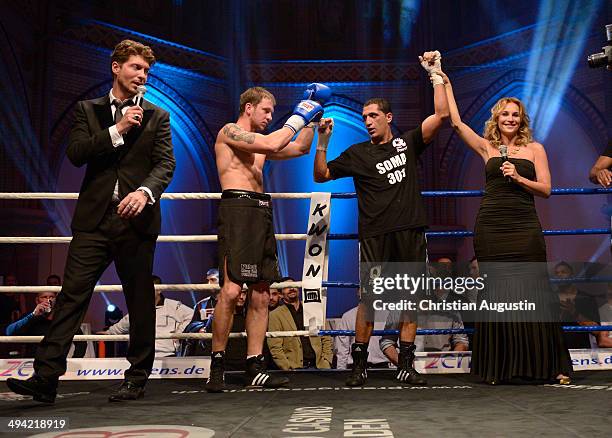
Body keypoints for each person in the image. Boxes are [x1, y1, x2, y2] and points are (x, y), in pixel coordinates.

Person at [6, 39, 175, 403]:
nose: (142, 76)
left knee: (140, 299)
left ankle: (136, 377)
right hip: (94, 221)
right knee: (71, 298)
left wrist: (144, 192)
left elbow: (166, 164)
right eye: (135, 68)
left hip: (137, 222)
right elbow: (77, 153)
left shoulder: (158, 116)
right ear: (115, 67)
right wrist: (119, 130)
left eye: (146, 71)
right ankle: (45, 378)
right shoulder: (88, 110)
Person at [313, 51, 449, 386]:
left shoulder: (407, 143)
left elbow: (442, 114)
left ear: (388, 117)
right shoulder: (358, 153)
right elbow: (321, 175)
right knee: (370, 301)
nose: (368, 121)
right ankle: (359, 364)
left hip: (410, 231)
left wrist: (435, 73)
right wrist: (323, 141)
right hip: (374, 235)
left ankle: (406, 363)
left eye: (373, 115)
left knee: (411, 300)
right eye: (365, 117)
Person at [440, 71, 572, 384]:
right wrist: (444, 81)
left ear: (521, 120)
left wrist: (519, 178)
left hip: (524, 225)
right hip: (491, 226)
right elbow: (457, 124)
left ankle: (547, 365)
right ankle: (497, 367)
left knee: (533, 290)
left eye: (515, 115)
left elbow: (546, 189)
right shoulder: (487, 147)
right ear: (496, 119)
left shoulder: (535, 149)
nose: (510, 119)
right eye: (505, 114)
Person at [205, 84, 327, 392]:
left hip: (261, 210)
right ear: (249, 108)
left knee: (260, 293)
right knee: (232, 291)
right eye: (266, 110)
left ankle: (254, 365)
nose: (270, 116)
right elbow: (273, 143)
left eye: (273, 112)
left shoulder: (260, 146)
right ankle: (216, 364)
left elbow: (298, 148)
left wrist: (312, 123)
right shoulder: (230, 131)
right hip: (237, 209)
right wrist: (300, 114)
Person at [98, 276, 193, 356]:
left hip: (167, 355)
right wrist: (104, 334)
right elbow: (121, 327)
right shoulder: (138, 308)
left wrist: (179, 333)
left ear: (159, 290)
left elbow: (192, 315)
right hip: (141, 356)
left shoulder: (173, 305)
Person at [267, 277, 333, 370]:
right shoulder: (275, 315)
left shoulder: (313, 307)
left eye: (294, 285)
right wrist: (287, 367)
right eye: (287, 287)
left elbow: (326, 337)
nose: (292, 288)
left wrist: (326, 361)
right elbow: (275, 347)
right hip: (294, 369)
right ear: (280, 294)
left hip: (320, 366)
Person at [6, 291, 87, 359]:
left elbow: (81, 343)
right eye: (44, 297)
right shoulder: (30, 316)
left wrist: (72, 362)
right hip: (32, 361)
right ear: (37, 301)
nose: (48, 300)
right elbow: (9, 332)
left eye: (51, 297)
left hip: (56, 364)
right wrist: (33, 315)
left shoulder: (65, 318)